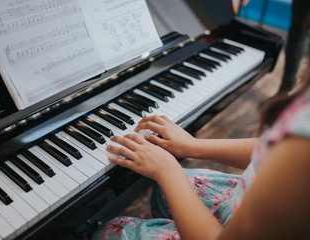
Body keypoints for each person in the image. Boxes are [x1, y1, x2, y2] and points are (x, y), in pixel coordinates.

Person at [92, 7, 310, 240]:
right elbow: (275, 151)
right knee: (163, 193)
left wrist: (168, 170)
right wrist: (194, 146)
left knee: (110, 232)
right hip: (247, 199)